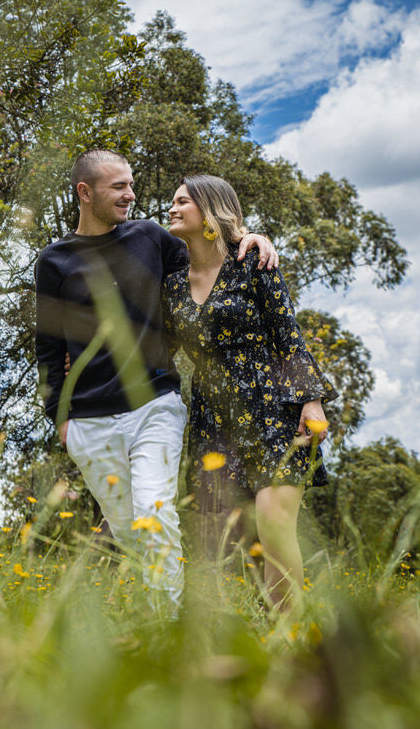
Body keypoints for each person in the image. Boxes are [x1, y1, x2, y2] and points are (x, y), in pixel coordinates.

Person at [33, 150, 277, 608]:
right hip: (89, 421)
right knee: (130, 534)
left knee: (155, 512)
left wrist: (251, 237)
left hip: (154, 407)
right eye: (118, 188)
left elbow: (210, 259)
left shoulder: (149, 237)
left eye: (131, 184)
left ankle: (169, 628)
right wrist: (59, 419)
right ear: (85, 193)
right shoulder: (54, 261)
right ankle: (157, 619)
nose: (131, 195)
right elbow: (48, 345)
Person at [162, 174, 335, 610]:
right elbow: (153, 345)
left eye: (182, 201)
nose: (172, 207)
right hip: (213, 420)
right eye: (172, 201)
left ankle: (291, 634)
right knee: (239, 541)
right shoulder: (173, 284)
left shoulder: (252, 262)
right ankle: (266, 631)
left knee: (276, 527)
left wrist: (311, 399)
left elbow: (288, 335)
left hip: (272, 409)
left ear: (210, 209)